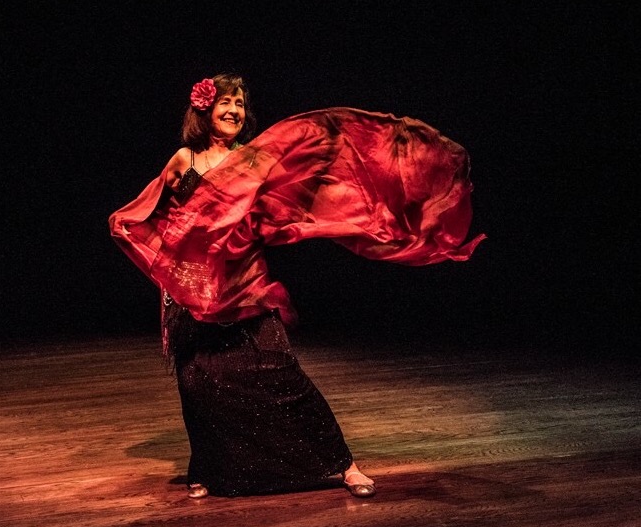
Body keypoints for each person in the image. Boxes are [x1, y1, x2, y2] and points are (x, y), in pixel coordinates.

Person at [109, 72, 485, 499]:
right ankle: (207, 468)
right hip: (192, 289)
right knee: (198, 379)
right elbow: (158, 210)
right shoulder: (184, 159)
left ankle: (343, 465)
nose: (234, 111)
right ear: (205, 110)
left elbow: (289, 196)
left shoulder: (252, 158)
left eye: (240, 105)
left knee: (279, 370)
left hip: (242, 281)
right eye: (226, 103)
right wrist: (161, 249)